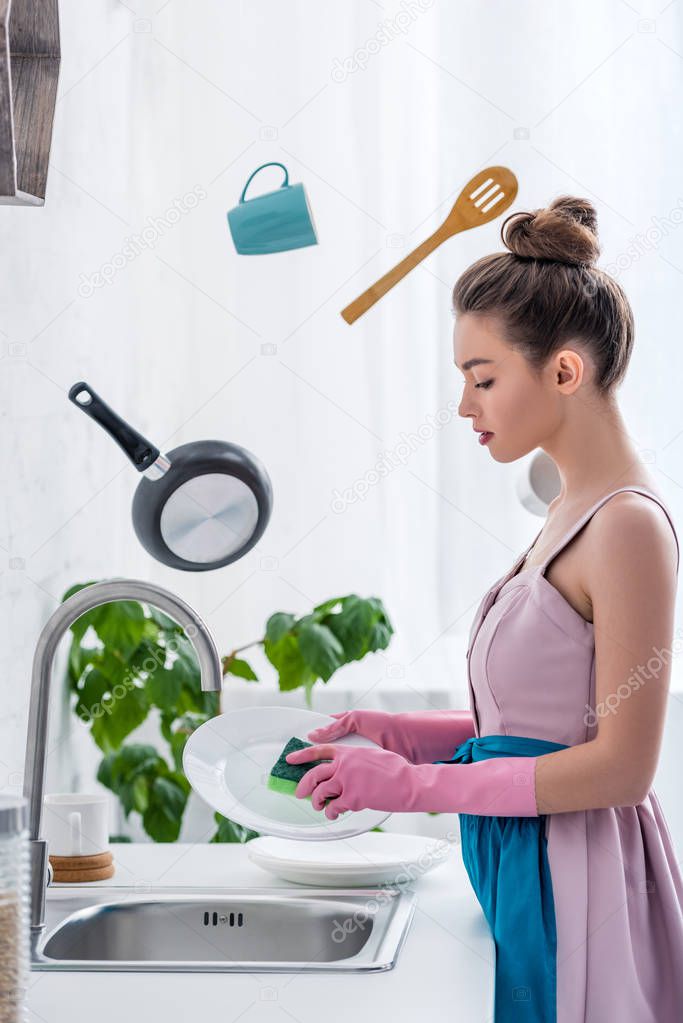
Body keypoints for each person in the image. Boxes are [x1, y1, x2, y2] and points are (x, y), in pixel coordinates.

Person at [286, 195, 683, 1022]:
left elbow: (620, 766)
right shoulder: (569, 510)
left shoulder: (628, 528)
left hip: (577, 889)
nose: (466, 406)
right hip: (527, 868)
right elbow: (535, 724)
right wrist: (396, 731)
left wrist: (412, 785)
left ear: (564, 371)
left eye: (483, 378)